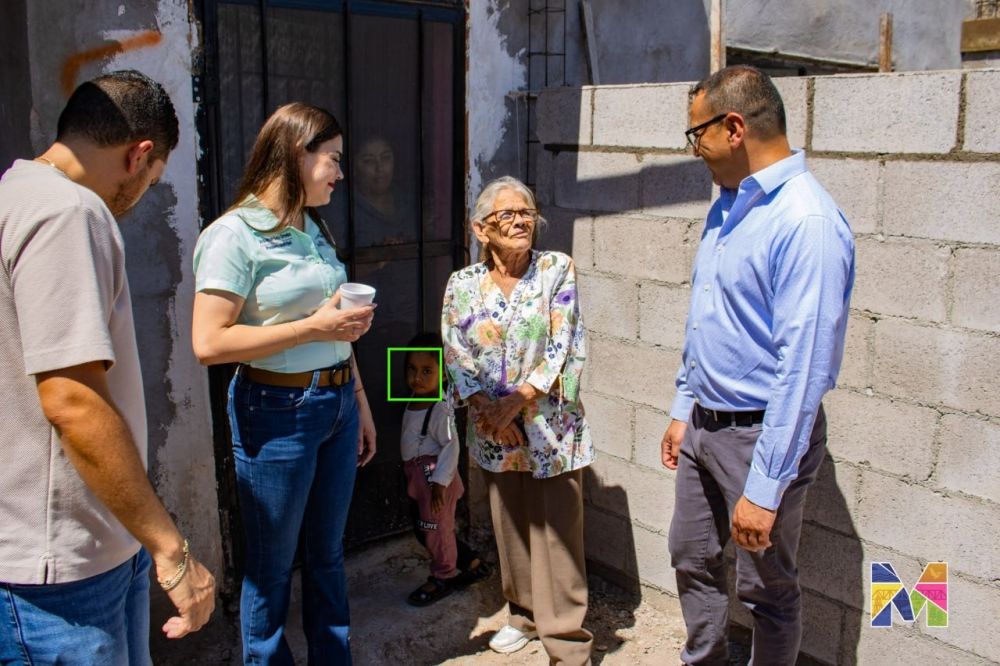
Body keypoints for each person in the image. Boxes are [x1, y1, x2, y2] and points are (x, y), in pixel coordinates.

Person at [0, 70, 215, 664]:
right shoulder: (70, 213)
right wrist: (171, 550)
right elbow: (72, 400)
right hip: (61, 567)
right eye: (154, 178)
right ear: (138, 156)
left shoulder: (14, 193)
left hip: (67, 551)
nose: (142, 194)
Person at [660, 65, 855, 665]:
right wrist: (683, 407)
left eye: (697, 134)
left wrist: (766, 489)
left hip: (759, 436)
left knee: (766, 591)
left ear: (735, 127)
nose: (695, 149)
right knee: (691, 556)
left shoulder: (805, 221)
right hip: (704, 424)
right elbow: (710, 318)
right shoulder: (728, 205)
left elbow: (803, 371)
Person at [191, 102, 376, 665]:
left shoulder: (311, 227)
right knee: (271, 568)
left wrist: (359, 402)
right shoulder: (233, 235)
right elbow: (209, 343)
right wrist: (310, 329)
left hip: (337, 402)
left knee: (327, 554)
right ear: (298, 153)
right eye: (333, 159)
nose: (340, 173)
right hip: (276, 409)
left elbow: (336, 325)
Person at [441, 176, 594, 664]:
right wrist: (487, 408)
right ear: (481, 229)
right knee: (510, 525)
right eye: (506, 214)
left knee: (558, 532)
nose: (520, 221)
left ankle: (566, 640)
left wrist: (517, 401)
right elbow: (455, 349)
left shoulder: (555, 269)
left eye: (526, 212)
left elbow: (563, 341)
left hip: (551, 425)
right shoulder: (463, 284)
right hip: (494, 428)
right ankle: (524, 616)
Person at [399, 332, 490, 607]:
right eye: (412, 369)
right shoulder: (416, 398)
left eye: (427, 371)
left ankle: (444, 575)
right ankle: (471, 562)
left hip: (434, 479)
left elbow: (451, 446)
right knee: (429, 529)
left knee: (435, 530)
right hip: (419, 477)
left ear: (443, 374)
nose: (417, 377)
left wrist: (439, 484)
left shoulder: (439, 408)